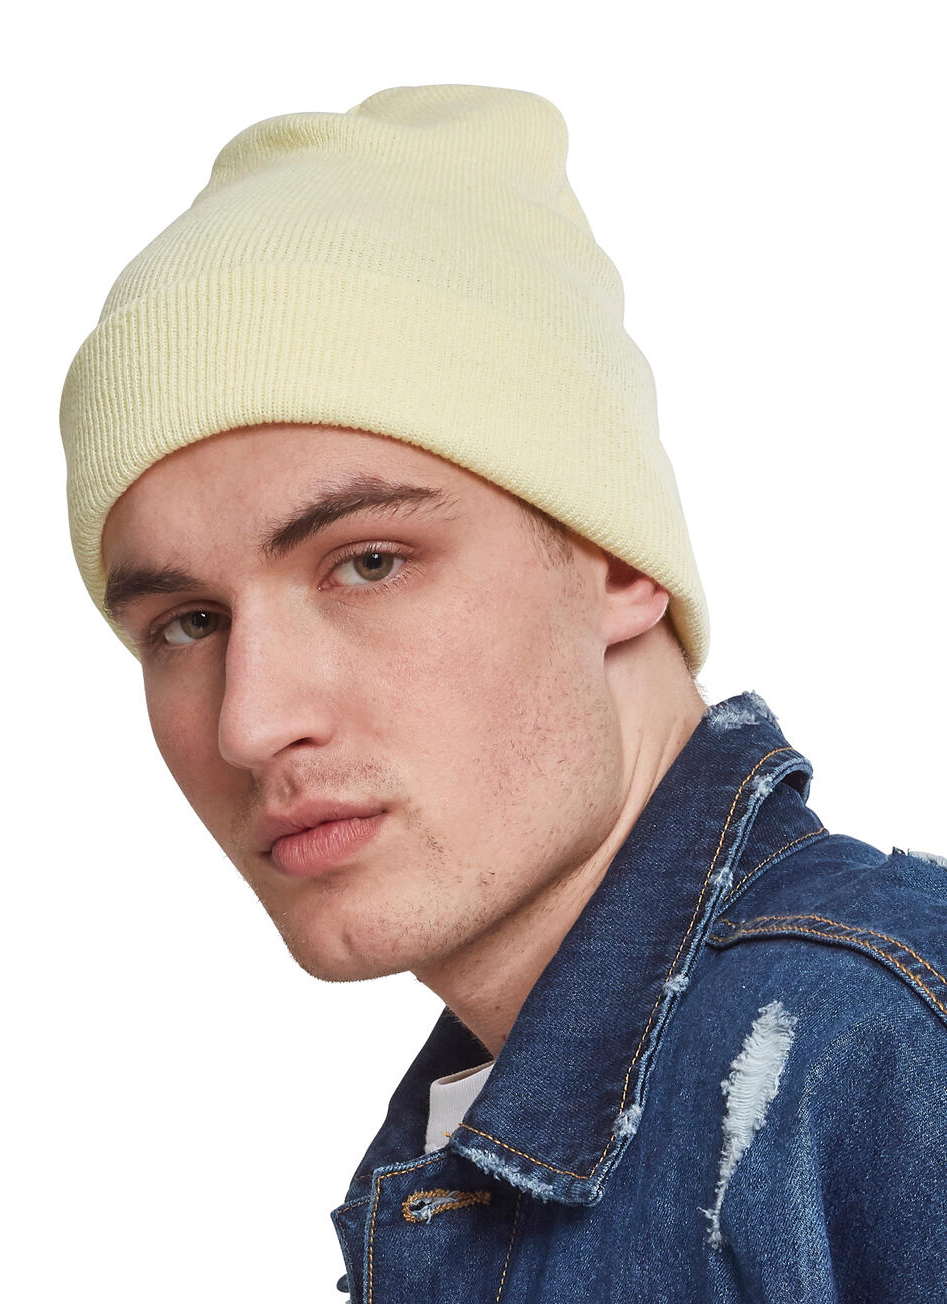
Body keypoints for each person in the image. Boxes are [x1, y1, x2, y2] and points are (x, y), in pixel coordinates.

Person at [59, 84, 946, 1302]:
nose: (250, 722)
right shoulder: (483, 1138)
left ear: (619, 560)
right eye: (187, 622)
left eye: (369, 562)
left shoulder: (876, 1048)